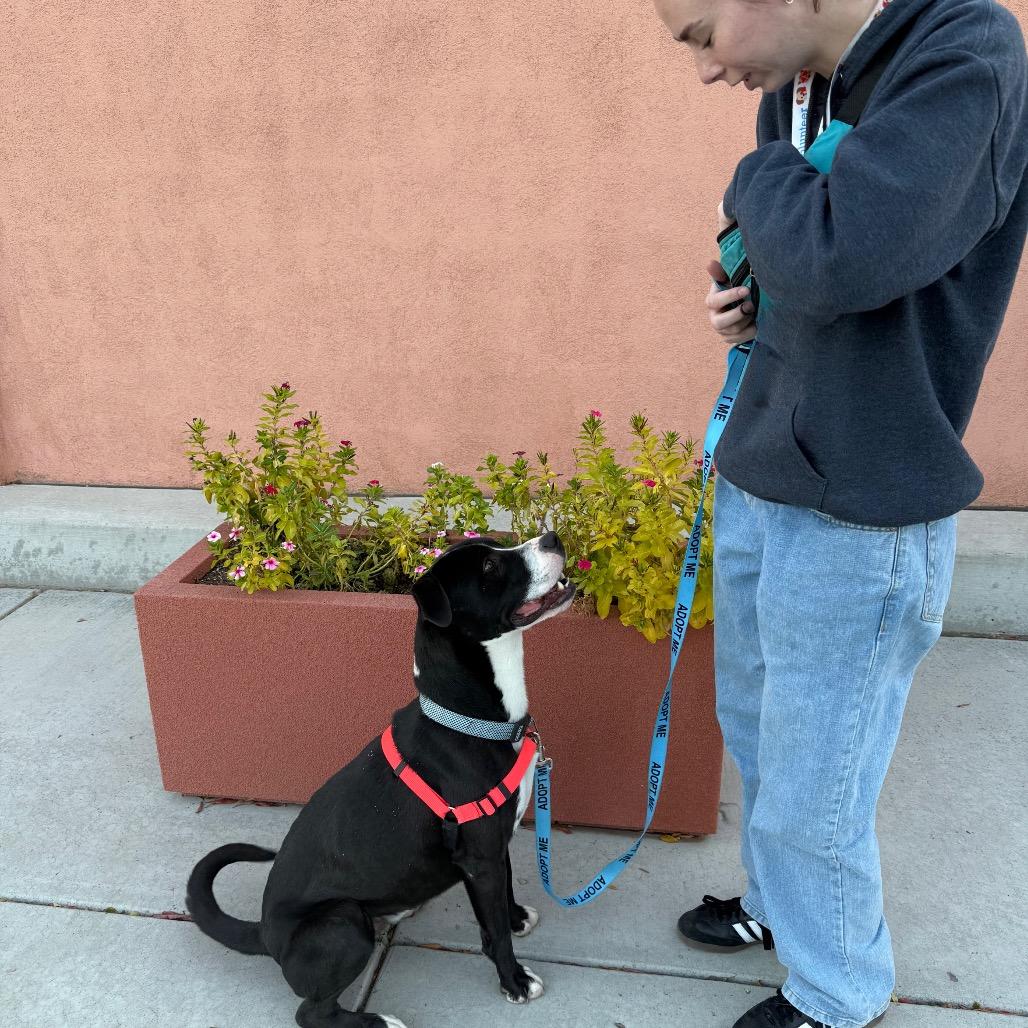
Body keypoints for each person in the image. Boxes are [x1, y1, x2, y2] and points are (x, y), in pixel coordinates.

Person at [651, 0, 1028, 1026]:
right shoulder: (792, 87)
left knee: (819, 774)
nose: (699, 71)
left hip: (863, 498)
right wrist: (744, 291)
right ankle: (780, 911)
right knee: (762, 728)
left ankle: (835, 990)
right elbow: (795, 258)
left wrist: (755, 191)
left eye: (696, 34)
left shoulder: (961, 54)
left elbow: (842, 253)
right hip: (767, 463)